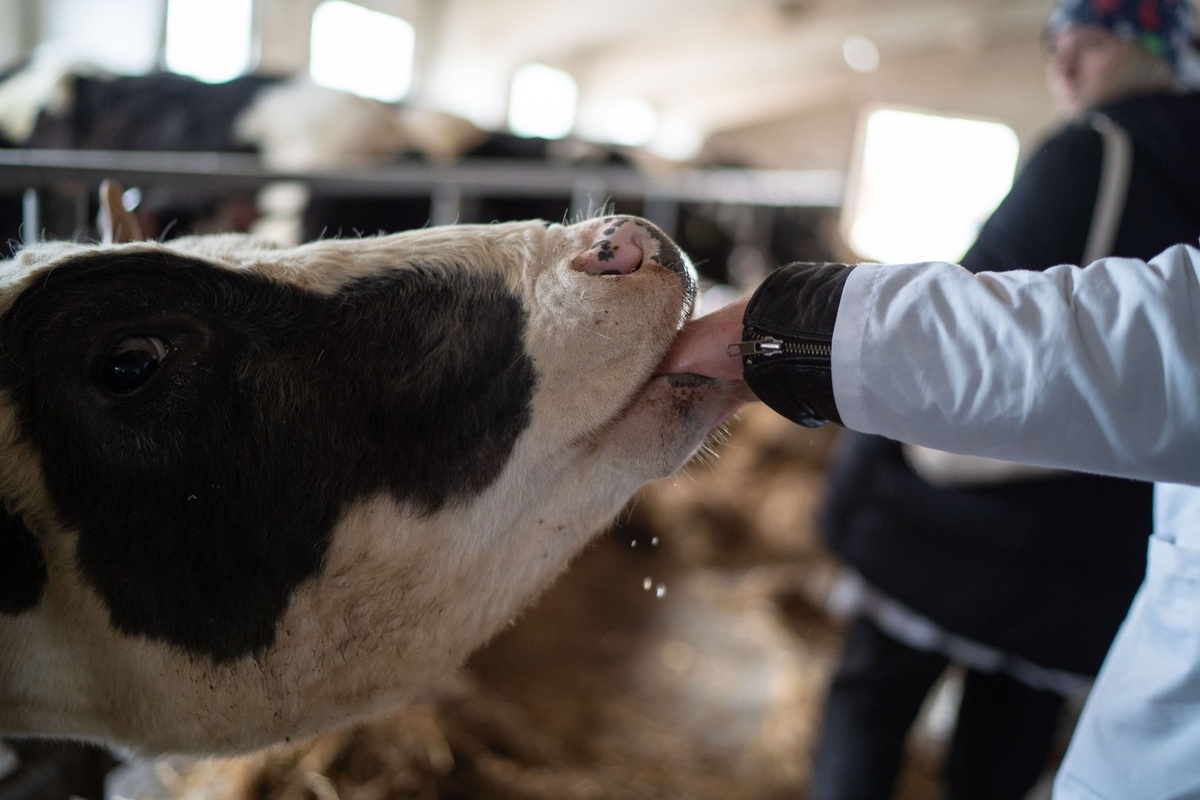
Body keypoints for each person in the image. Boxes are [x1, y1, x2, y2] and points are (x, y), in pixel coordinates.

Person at [742, 0, 1200, 796]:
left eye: (1089, 46)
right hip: (1093, 560)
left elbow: (982, 331)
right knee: (1004, 750)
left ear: (1150, 53)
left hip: (956, 535)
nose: (1062, 68)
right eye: (1056, 46)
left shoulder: (1094, 148)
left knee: (868, 709)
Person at [661, 243, 1200, 800]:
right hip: (1077, 577)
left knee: (876, 703)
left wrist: (788, 338)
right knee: (996, 735)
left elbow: (1124, 341)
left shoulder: (1099, 161)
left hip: (954, 535)